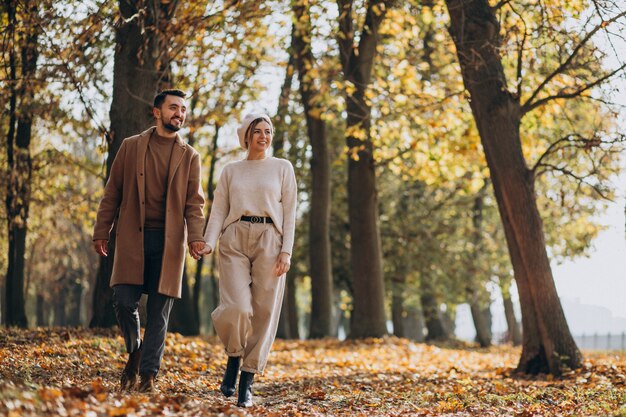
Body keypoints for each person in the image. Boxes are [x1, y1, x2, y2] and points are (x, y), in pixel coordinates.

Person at [92, 89, 206, 393]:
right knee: (123, 301)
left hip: (169, 244)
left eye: (182, 109)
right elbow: (112, 192)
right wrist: (102, 230)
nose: (179, 114)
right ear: (157, 112)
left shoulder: (190, 156)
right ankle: (135, 349)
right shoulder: (131, 147)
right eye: (173, 108)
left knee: (159, 313)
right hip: (132, 238)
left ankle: (148, 375)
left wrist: (196, 238)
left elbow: (194, 204)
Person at [199, 113, 297, 407]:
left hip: (270, 238)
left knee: (264, 311)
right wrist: (209, 241)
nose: (264, 136)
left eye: (268, 131)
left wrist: (286, 251)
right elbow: (218, 211)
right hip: (235, 237)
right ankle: (232, 355)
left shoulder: (282, 168)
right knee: (237, 307)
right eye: (257, 131)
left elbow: (290, 213)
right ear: (246, 136)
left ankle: (246, 380)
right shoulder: (231, 171)